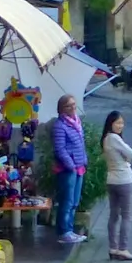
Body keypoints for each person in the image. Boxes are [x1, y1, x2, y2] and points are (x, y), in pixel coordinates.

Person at [51, 94, 88, 245]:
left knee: (74, 201)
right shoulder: (60, 125)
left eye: (74, 104)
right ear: (61, 109)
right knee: (67, 200)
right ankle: (63, 231)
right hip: (68, 169)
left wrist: (83, 161)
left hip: (79, 166)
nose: (72, 107)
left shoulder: (76, 122)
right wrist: (71, 165)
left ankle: (70, 230)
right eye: (68, 105)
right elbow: (60, 149)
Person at [101, 110, 132, 261]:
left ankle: (113, 247)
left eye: (122, 123)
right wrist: (127, 158)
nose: (120, 126)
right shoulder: (114, 138)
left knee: (114, 215)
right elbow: (131, 153)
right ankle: (122, 248)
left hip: (111, 180)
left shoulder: (105, 139)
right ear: (111, 124)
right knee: (127, 215)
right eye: (117, 123)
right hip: (124, 180)